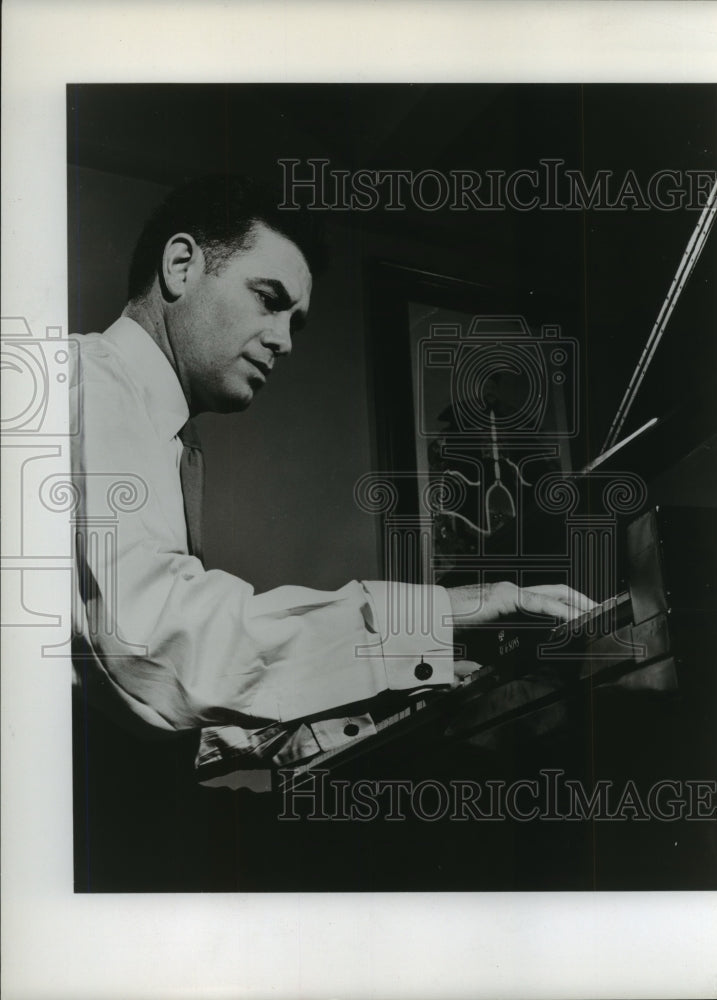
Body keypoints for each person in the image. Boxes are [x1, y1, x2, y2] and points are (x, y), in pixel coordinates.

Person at [70, 174, 592, 887]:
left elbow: (139, 700)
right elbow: (159, 640)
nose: (283, 341)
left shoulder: (163, 430)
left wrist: (378, 703)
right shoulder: (92, 381)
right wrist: (446, 611)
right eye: (268, 300)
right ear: (181, 265)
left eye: (297, 323)